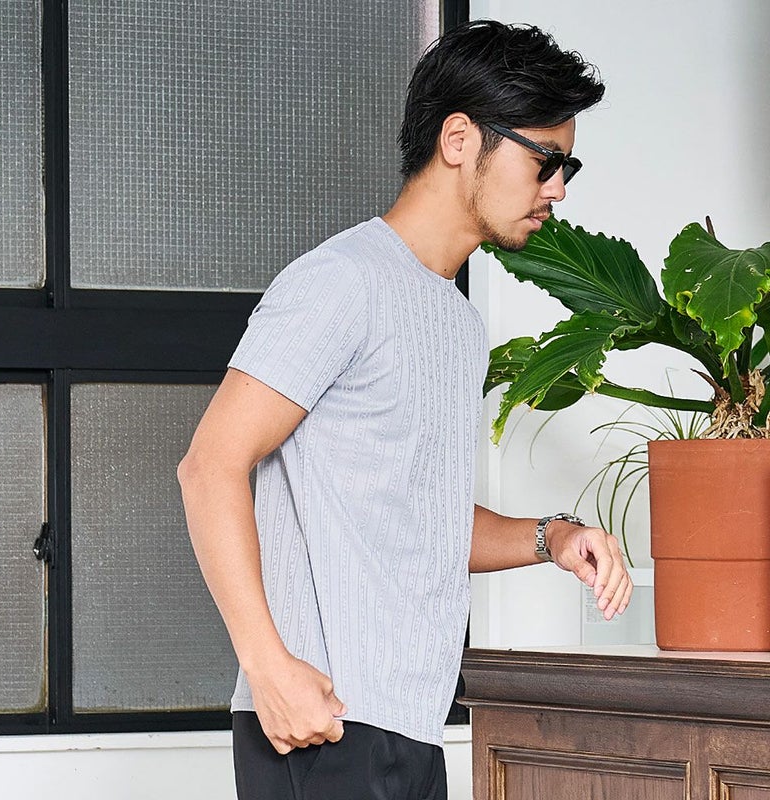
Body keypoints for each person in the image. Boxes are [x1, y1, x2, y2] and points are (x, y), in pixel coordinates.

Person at [178, 19, 633, 800]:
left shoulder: (457, 323)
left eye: (568, 166)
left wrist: (552, 537)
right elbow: (208, 466)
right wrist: (269, 668)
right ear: (459, 139)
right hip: (322, 725)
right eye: (544, 160)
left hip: (411, 726)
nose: (558, 188)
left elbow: (420, 521)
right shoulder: (342, 282)